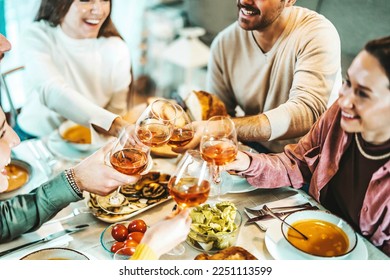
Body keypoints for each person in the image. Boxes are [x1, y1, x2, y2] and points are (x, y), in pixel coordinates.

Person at [1, 32, 191, 258]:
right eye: (1, 131)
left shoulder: (114, 46)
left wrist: (76, 179)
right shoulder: (39, 37)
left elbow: (4, 221)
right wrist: (149, 251)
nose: (7, 43)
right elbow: (53, 90)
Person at [224, 36, 390, 256]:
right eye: (348, 82)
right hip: (308, 242)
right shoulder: (339, 115)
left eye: (362, 93)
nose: (343, 99)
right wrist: (246, 161)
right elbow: (297, 163)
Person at [175, 0, 341, 154]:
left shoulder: (317, 34)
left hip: (309, 163)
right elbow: (216, 117)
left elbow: (306, 113)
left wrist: (224, 127)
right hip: (253, 153)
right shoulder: (224, 43)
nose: (245, 1)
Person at [16, 0, 131, 140]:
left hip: (88, 141)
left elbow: (117, 109)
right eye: (86, 0)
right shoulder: (37, 35)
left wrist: (115, 129)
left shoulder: (117, 48)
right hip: (36, 138)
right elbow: (52, 90)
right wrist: (114, 125)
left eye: (104, 0)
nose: (99, 11)